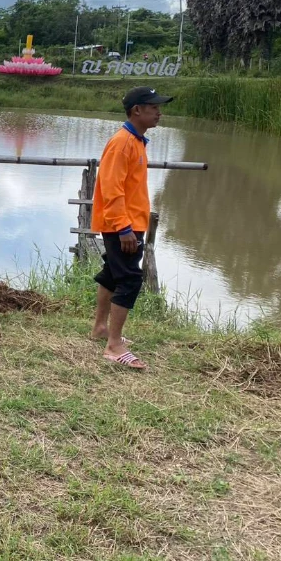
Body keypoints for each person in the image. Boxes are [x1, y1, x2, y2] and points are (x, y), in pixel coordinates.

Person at [90, 86, 174, 370]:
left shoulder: (137, 141)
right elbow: (110, 188)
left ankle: (101, 328)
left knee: (113, 273)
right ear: (137, 110)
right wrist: (124, 228)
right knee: (129, 279)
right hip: (122, 224)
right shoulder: (122, 142)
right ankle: (114, 346)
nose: (159, 113)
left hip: (129, 221)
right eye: (154, 107)